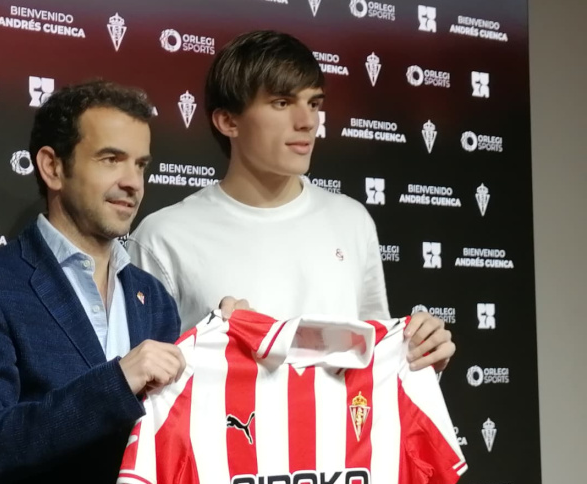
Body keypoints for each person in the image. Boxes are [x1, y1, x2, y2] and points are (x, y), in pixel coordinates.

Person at [127, 30, 455, 372]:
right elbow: (148, 391)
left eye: (313, 103)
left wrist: (421, 357)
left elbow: (375, 368)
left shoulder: (352, 221)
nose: (307, 121)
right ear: (228, 120)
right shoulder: (163, 237)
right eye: (282, 103)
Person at [0, 80, 186, 484]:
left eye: (140, 164)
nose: (132, 182)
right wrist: (115, 384)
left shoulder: (152, 296)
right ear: (52, 167)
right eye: (111, 159)